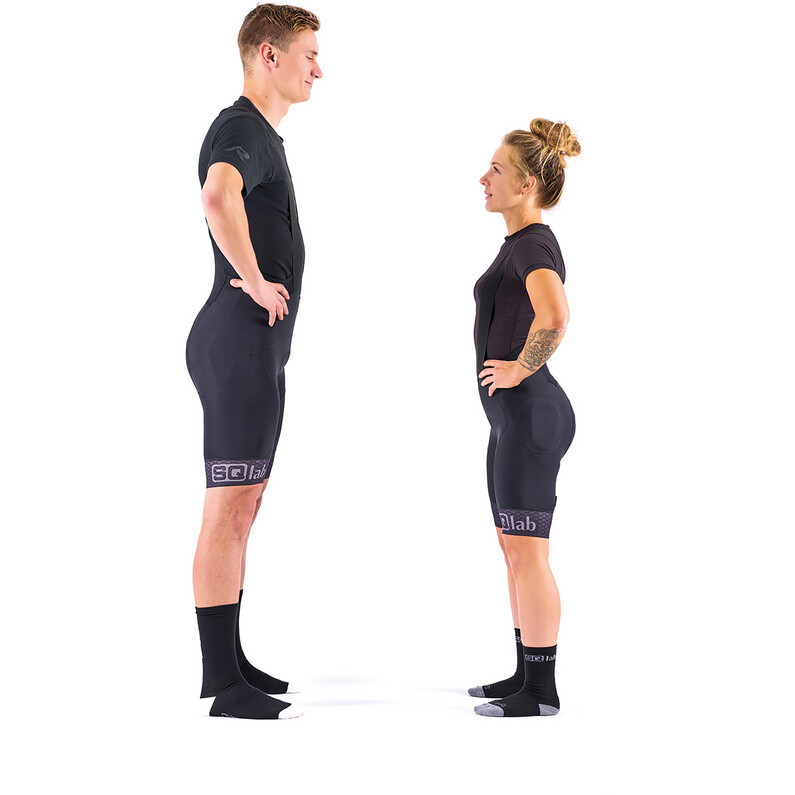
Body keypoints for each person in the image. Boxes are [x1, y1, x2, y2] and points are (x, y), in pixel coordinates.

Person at [185, 3, 322, 720]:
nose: (318, 69)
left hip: (253, 346)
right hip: (239, 341)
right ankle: (223, 684)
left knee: (245, 505)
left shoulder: (260, 134)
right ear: (268, 55)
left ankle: (231, 662)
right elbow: (217, 195)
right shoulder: (241, 127)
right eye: (308, 54)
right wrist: (256, 278)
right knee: (228, 508)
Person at [469, 119, 580, 717]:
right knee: (515, 551)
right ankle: (523, 675)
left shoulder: (533, 244)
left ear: (527, 184)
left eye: (496, 169)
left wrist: (519, 368)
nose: (483, 178)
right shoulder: (519, 244)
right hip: (512, 422)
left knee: (528, 555)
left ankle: (541, 692)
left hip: (532, 417)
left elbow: (555, 315)